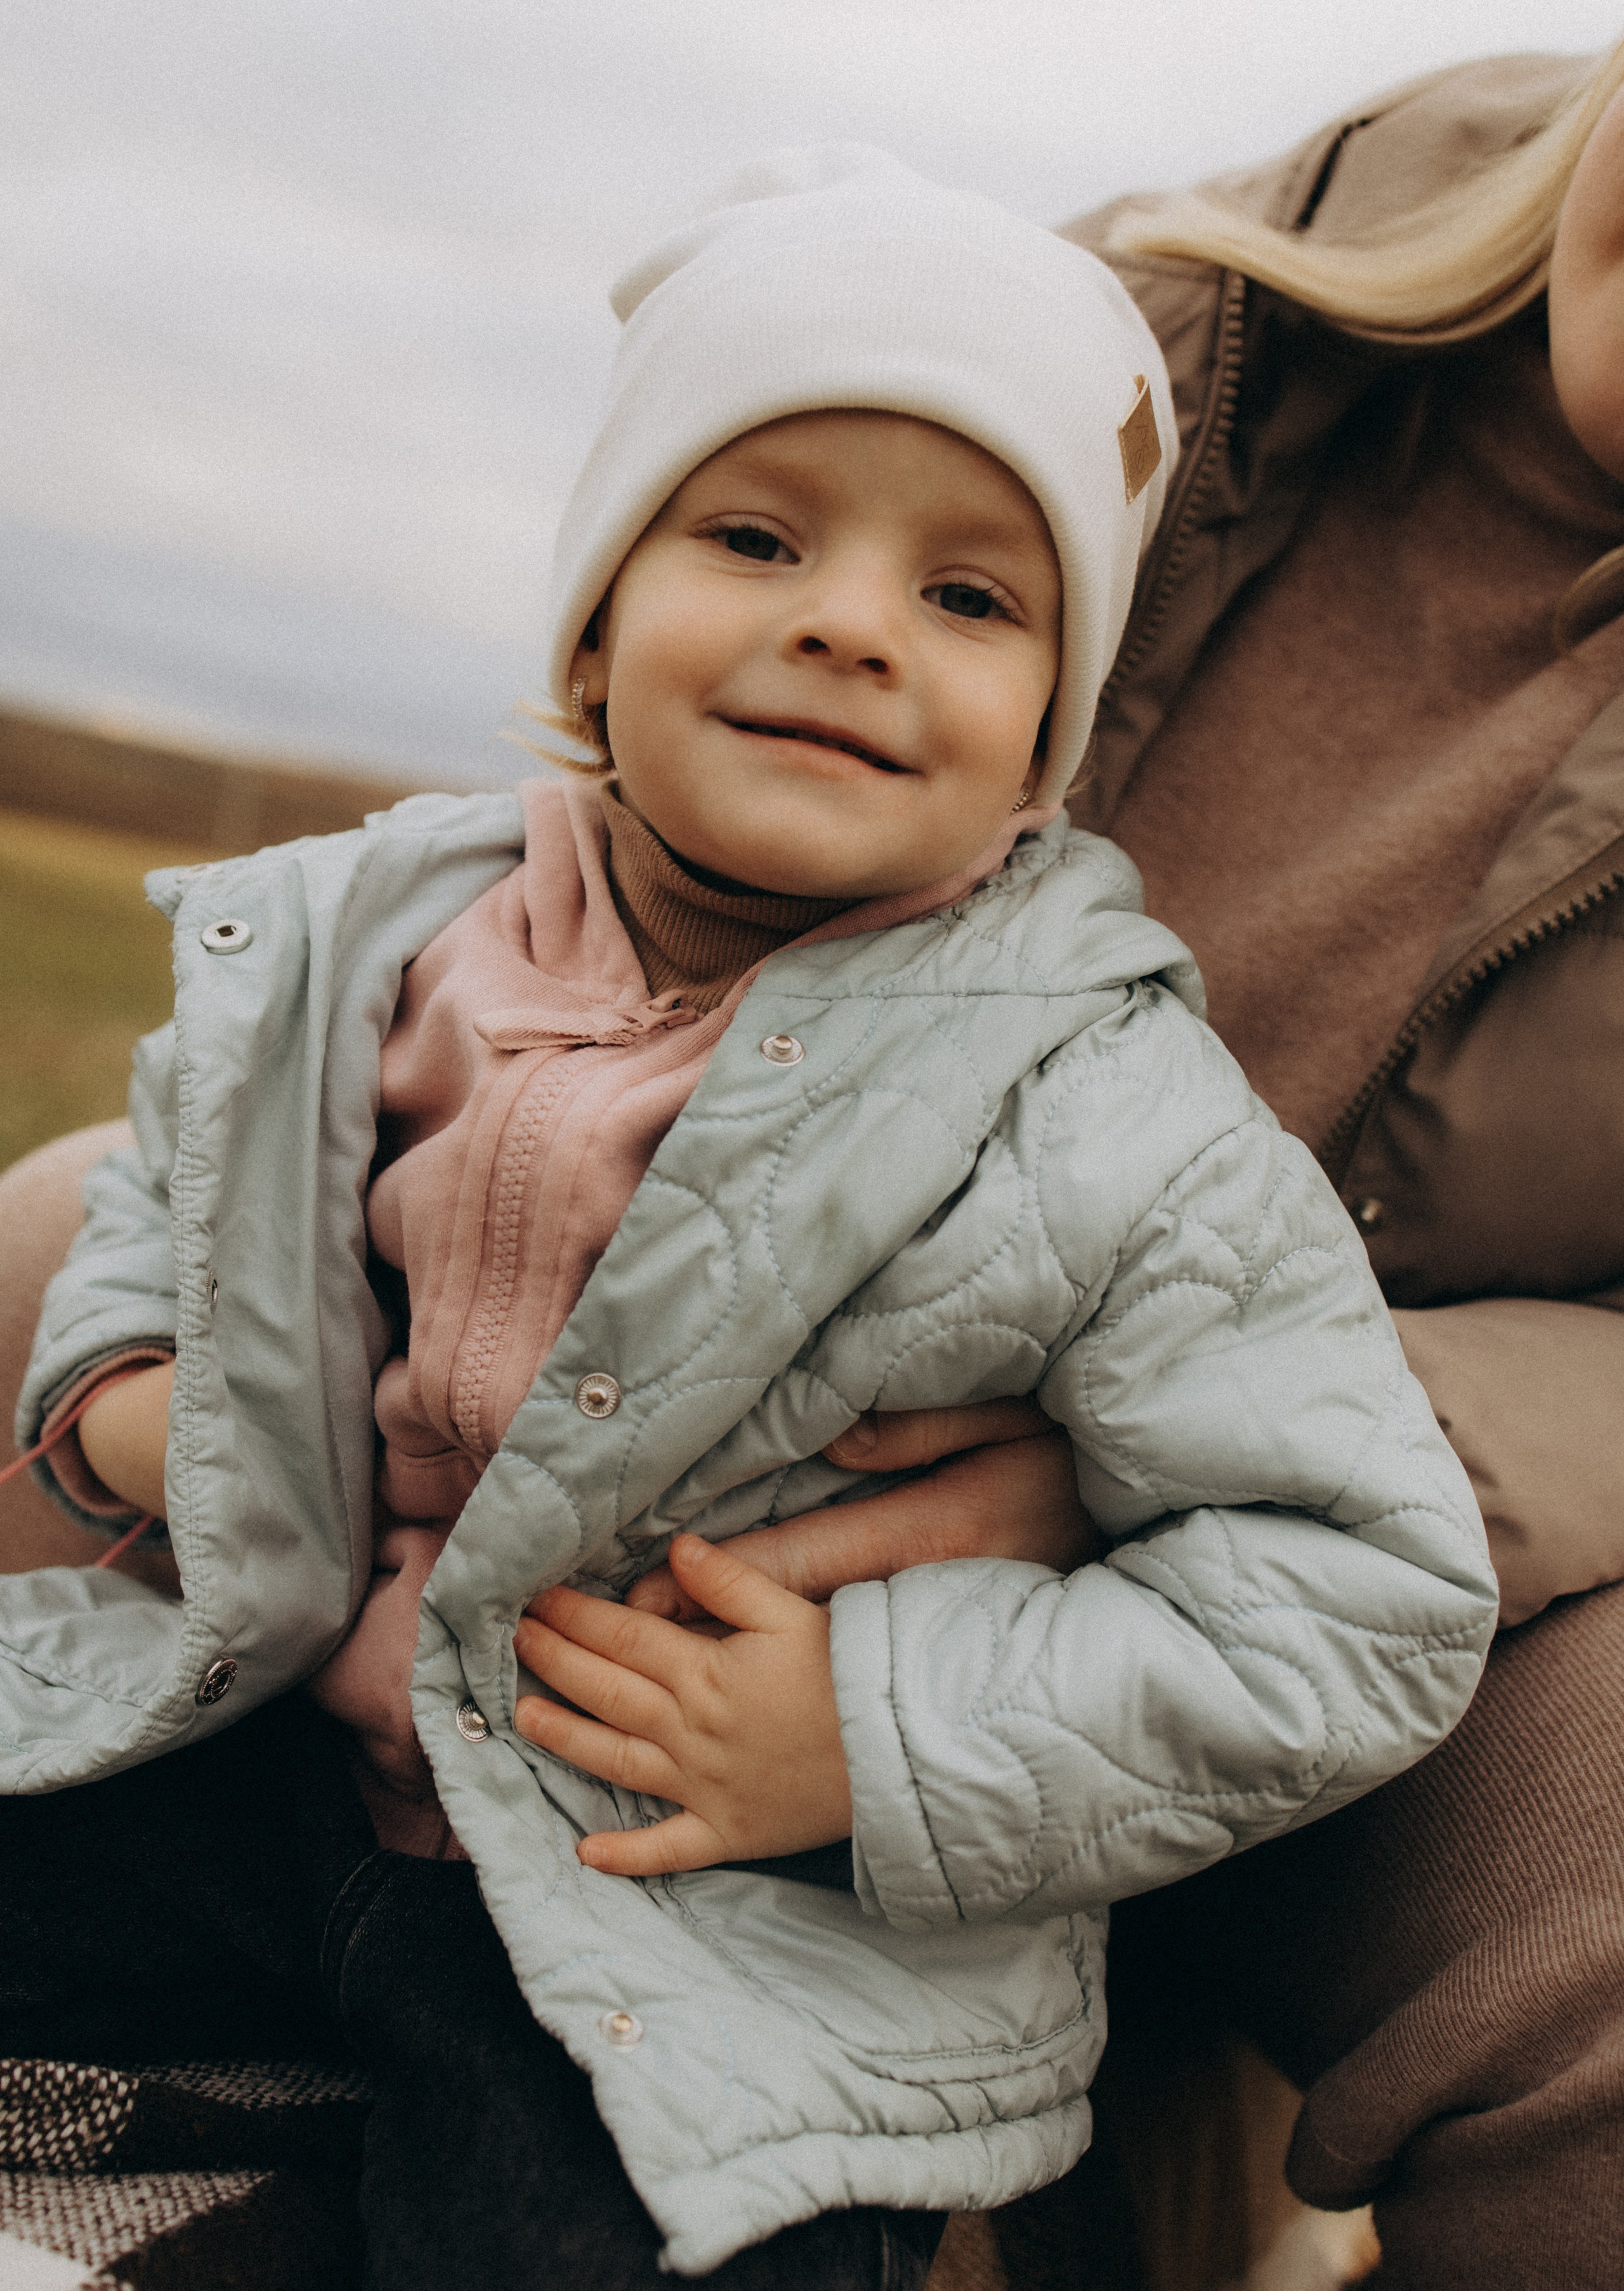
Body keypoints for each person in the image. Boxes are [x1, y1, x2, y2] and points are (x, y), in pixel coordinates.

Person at [0, 152, 1495, 2288]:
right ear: (599, 614)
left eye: (973, 599)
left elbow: (1363, 1594)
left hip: (702, 1919)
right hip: (279, 1761)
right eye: (757, 535)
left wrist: (872, 1734)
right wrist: (132, 1386)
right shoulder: (386, 930)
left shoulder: (1100, 1106)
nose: (850, 621)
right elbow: (181, 1169)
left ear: (1050, 744)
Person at [669, 42, 1624, 2290]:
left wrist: (1193, 1461)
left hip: (1358, 1560)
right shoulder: (1157, 340)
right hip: (717, 1373)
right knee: (75, 1263)